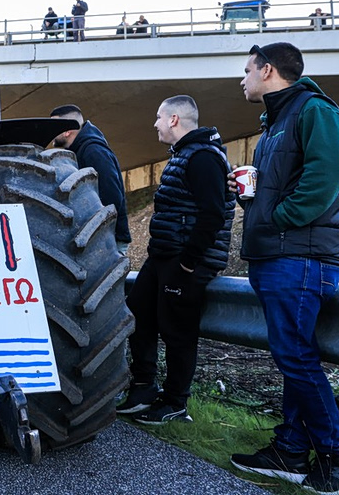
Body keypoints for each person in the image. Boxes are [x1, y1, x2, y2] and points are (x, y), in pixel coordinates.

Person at [229, 42, 339, 494]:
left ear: (267, 70)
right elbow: (285, 185)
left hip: (298, 257)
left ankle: (337, 459)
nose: (241, 79)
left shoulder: (315, 110)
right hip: (277, 254)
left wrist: (276, 217)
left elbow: (326, 177)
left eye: (246, 70)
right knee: (292, 356)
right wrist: (252, 198)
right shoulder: (276, 124)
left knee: (296, 358)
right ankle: (290, 450)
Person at [117, 95, 235, 425]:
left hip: (185, 259)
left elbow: (212, 214)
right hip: (165, 255)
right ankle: (143, 388)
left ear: (173, 120)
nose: (154, 123)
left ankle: (175, 401)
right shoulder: (185, 155)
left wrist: (188, 262)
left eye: (158, 117)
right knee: (138, 312)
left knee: (177, 331)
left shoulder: (203, 159)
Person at [49, 105, 131, 253]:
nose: (50, 132)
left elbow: (111, 197)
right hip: (98, 240)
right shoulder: (78, 151)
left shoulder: (93, 151)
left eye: (53, 127)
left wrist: (98, 233)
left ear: (67, 131)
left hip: (107, 241)